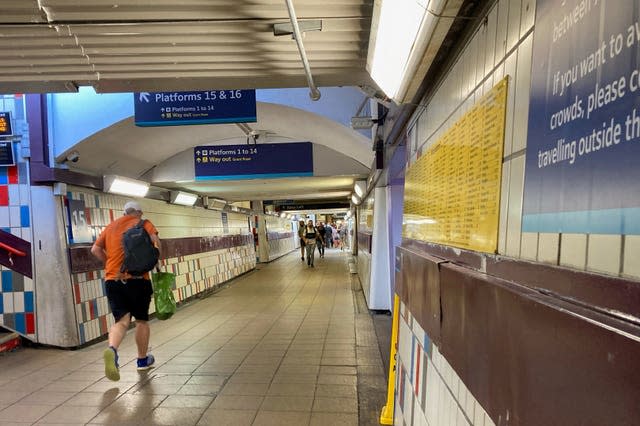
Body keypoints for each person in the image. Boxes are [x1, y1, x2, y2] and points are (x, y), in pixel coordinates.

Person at [91, 200, 161, 381]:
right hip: (138, 280)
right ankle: (142, 360)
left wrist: (111, 265)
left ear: (124, 213)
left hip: (113, 280)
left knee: (121, 321)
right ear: (139, 212)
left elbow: (95, 249)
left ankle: (112, 349)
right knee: (141, 321)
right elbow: (156, 245)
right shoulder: (145, 224)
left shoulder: (110, 226)